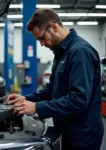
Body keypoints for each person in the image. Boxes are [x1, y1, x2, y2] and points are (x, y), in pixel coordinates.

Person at [6, 8, 104, 150]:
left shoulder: (79, 52)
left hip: (83, 135)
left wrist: (36, 108)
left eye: (41, 38)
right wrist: (25, 99)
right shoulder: (61, 53)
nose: (42, 44)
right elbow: (52, 90)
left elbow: (78, 99)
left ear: (54, 27)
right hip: (67, 130)